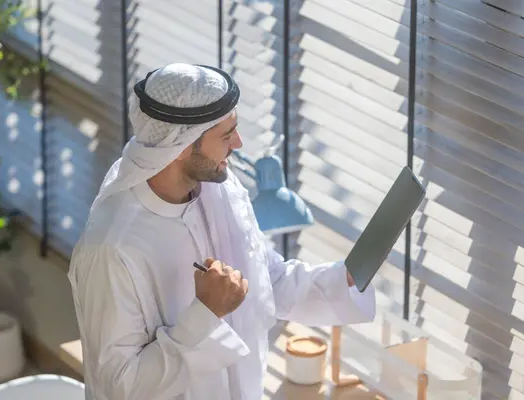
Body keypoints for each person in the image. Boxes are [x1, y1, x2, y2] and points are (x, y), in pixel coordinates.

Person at [67, 63, 376, 400]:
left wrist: (343, 278)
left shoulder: (219, 191)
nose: (239, 143)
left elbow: (263, 279)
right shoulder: (111, 249)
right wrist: (206, 313)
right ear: (181, 145)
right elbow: (120, 386)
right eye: (227, 135)